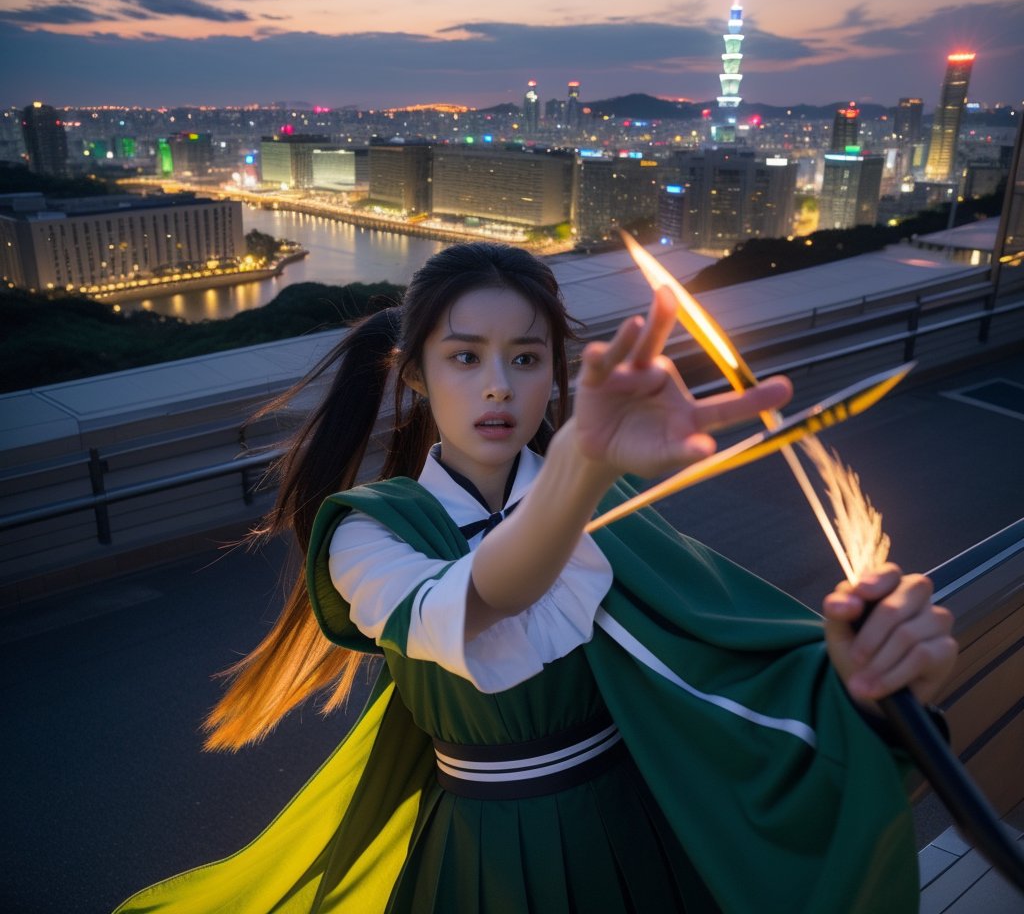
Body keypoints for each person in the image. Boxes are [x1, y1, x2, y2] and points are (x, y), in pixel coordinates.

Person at [114, 242, 956, 914]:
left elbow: (719, 650)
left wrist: (862, 671)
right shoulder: (368, 528)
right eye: (464, 357)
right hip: (482, 856)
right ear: (414, 372)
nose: (496, 386)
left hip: (639, 827)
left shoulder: (599, 494)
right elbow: (480, 601)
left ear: (557, 371)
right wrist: (581, 469)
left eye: (525, 358)